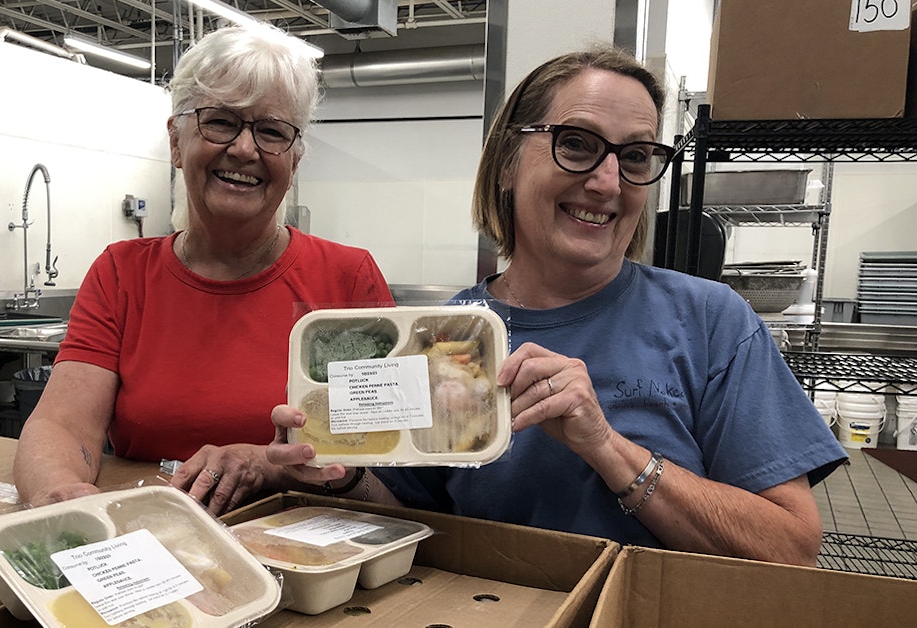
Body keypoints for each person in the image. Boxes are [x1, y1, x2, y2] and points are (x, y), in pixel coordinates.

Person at [266, 46, 847, 567]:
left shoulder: (710, 321)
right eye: (576, 144)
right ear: (509, 162)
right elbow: (414, 522)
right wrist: (342, 479)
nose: (607, 181)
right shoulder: (446, 335)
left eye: (637, 156)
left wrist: (608, 449)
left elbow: (790, 546)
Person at [13, 24, 394, 514]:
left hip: (310, 561)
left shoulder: (347, 278)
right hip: (153, 549)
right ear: (176, 141)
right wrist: (59, 493)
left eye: (272, 130)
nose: (244, 149)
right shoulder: (121, 275)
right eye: (220, 122)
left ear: (294, 161)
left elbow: (387, 463)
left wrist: (270, 463)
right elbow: (62, 425)